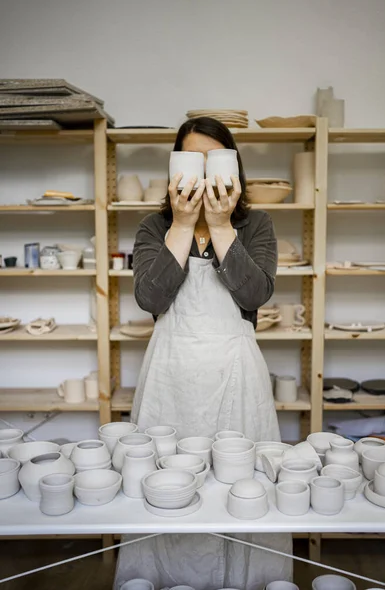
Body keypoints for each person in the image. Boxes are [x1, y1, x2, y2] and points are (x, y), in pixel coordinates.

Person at [114, 117, 292, 590]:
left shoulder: (257, 225)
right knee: (165, 486)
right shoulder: (154, 226)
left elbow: (254, 294)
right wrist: (183, 222)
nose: (205, 175)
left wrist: (218, 224)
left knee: (239, 487)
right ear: (175, 169)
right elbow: (151, 298)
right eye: (193, 161)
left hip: (236, 375)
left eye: (217, 161)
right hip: (170, 374)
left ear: (234, 168)